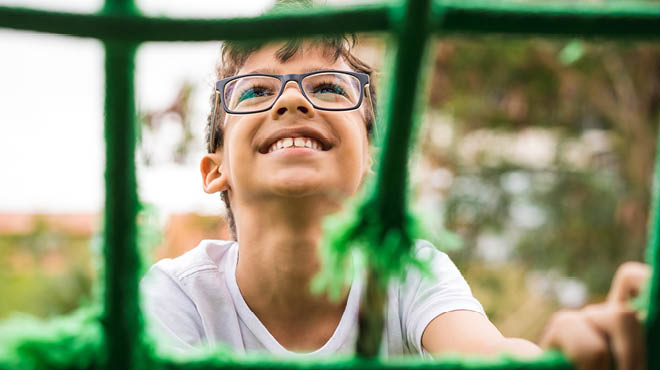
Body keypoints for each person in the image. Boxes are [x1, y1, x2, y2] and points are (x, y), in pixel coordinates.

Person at [141, 34, 651, 370]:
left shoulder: (408, 273)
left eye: (328, 87)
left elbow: (486, 353)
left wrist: (560, 357)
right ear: (215, 171)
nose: (292, 100)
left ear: (371, 163)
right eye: (254, 92)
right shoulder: (178, 296)